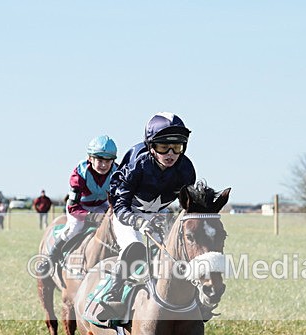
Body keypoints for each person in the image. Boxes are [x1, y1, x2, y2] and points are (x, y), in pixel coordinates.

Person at [97, 113, 196, 318]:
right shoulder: (137, 163)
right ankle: (112, 294)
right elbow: (120, 204)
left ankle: (194, 298)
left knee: (175, 254)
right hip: (127, 214)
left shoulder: (186, 169)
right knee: (136, 248)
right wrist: (137, 221)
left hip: (159, 215)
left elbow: (188, 205)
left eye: (177, 147)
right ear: (151, 146)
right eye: (163, 147)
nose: (170, 153)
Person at [41, 135, 118, 272]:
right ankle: (50, 259)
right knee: (75, 228)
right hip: (79, 207)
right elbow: (72, 207)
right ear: (90, 158)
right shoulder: (79, 174)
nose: (104, 165)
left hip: (102, 205)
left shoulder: (117, 173)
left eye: (108, 161)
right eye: (100, 160)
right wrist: (90, 216)